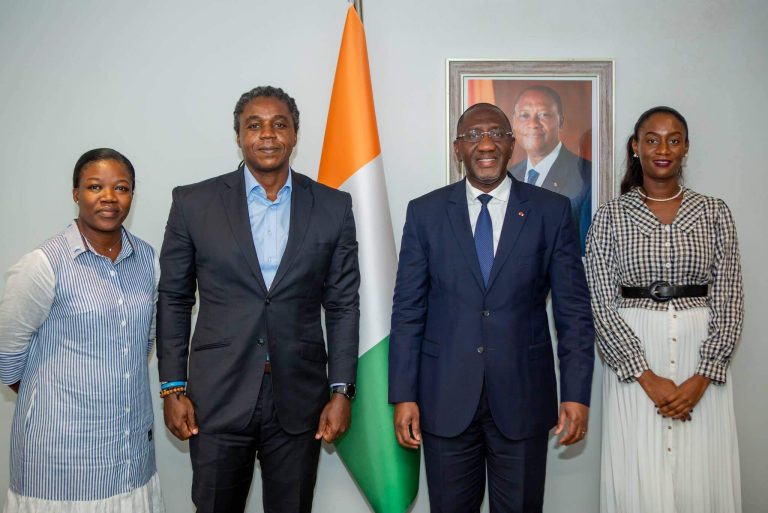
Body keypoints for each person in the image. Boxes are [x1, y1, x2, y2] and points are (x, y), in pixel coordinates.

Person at [156, 85, 360, 513]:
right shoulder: (193, 203)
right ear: (239, 136)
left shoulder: (332, 206)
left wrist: (341, 390)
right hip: (217, 396)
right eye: (254, 125)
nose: (267, 134)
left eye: (279, 124)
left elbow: (342, 305)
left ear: (295, 134)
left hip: (299, 397)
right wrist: (172, 387)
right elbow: (174, 298)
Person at [389, 103, 595, 512]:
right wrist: (403, 395)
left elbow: (573, 312)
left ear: (511, 144)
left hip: (523, 397)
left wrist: (577, 394)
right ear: (458, 149)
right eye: (473, 135)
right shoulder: (425, 213)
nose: (485, 144)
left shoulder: (551, 211)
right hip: (444, 398)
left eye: (496, 134)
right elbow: (408, 311)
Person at [585, 106, 743, 513]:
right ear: (635, 147)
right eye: (652, 140)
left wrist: (703, 376)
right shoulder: (610, 216)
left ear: (686, 148)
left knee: (700, 475)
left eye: (674, 140)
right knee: (640, 474)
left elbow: (729, 297)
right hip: (634, 363)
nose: (663, 149)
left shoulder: (714, 212)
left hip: (700, 360)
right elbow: (600, 301)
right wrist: (645, 375)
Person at [0, 148, 164, 512]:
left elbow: (144, 342)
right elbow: (7, 355)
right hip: (61, 455)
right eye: (94, 186)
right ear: (76, 193)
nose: (109, 197)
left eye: (121, 187)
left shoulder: (147, 259)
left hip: (128, 449)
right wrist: (58, 400)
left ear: (132, 195)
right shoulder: (44, 264)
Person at [509, 85, 592, 253]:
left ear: (560, 121)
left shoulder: (587, 175)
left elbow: (586, 250)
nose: (533, 124)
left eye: (544, 115)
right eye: (524, 115)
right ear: (514, 122)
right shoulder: (508, 176)